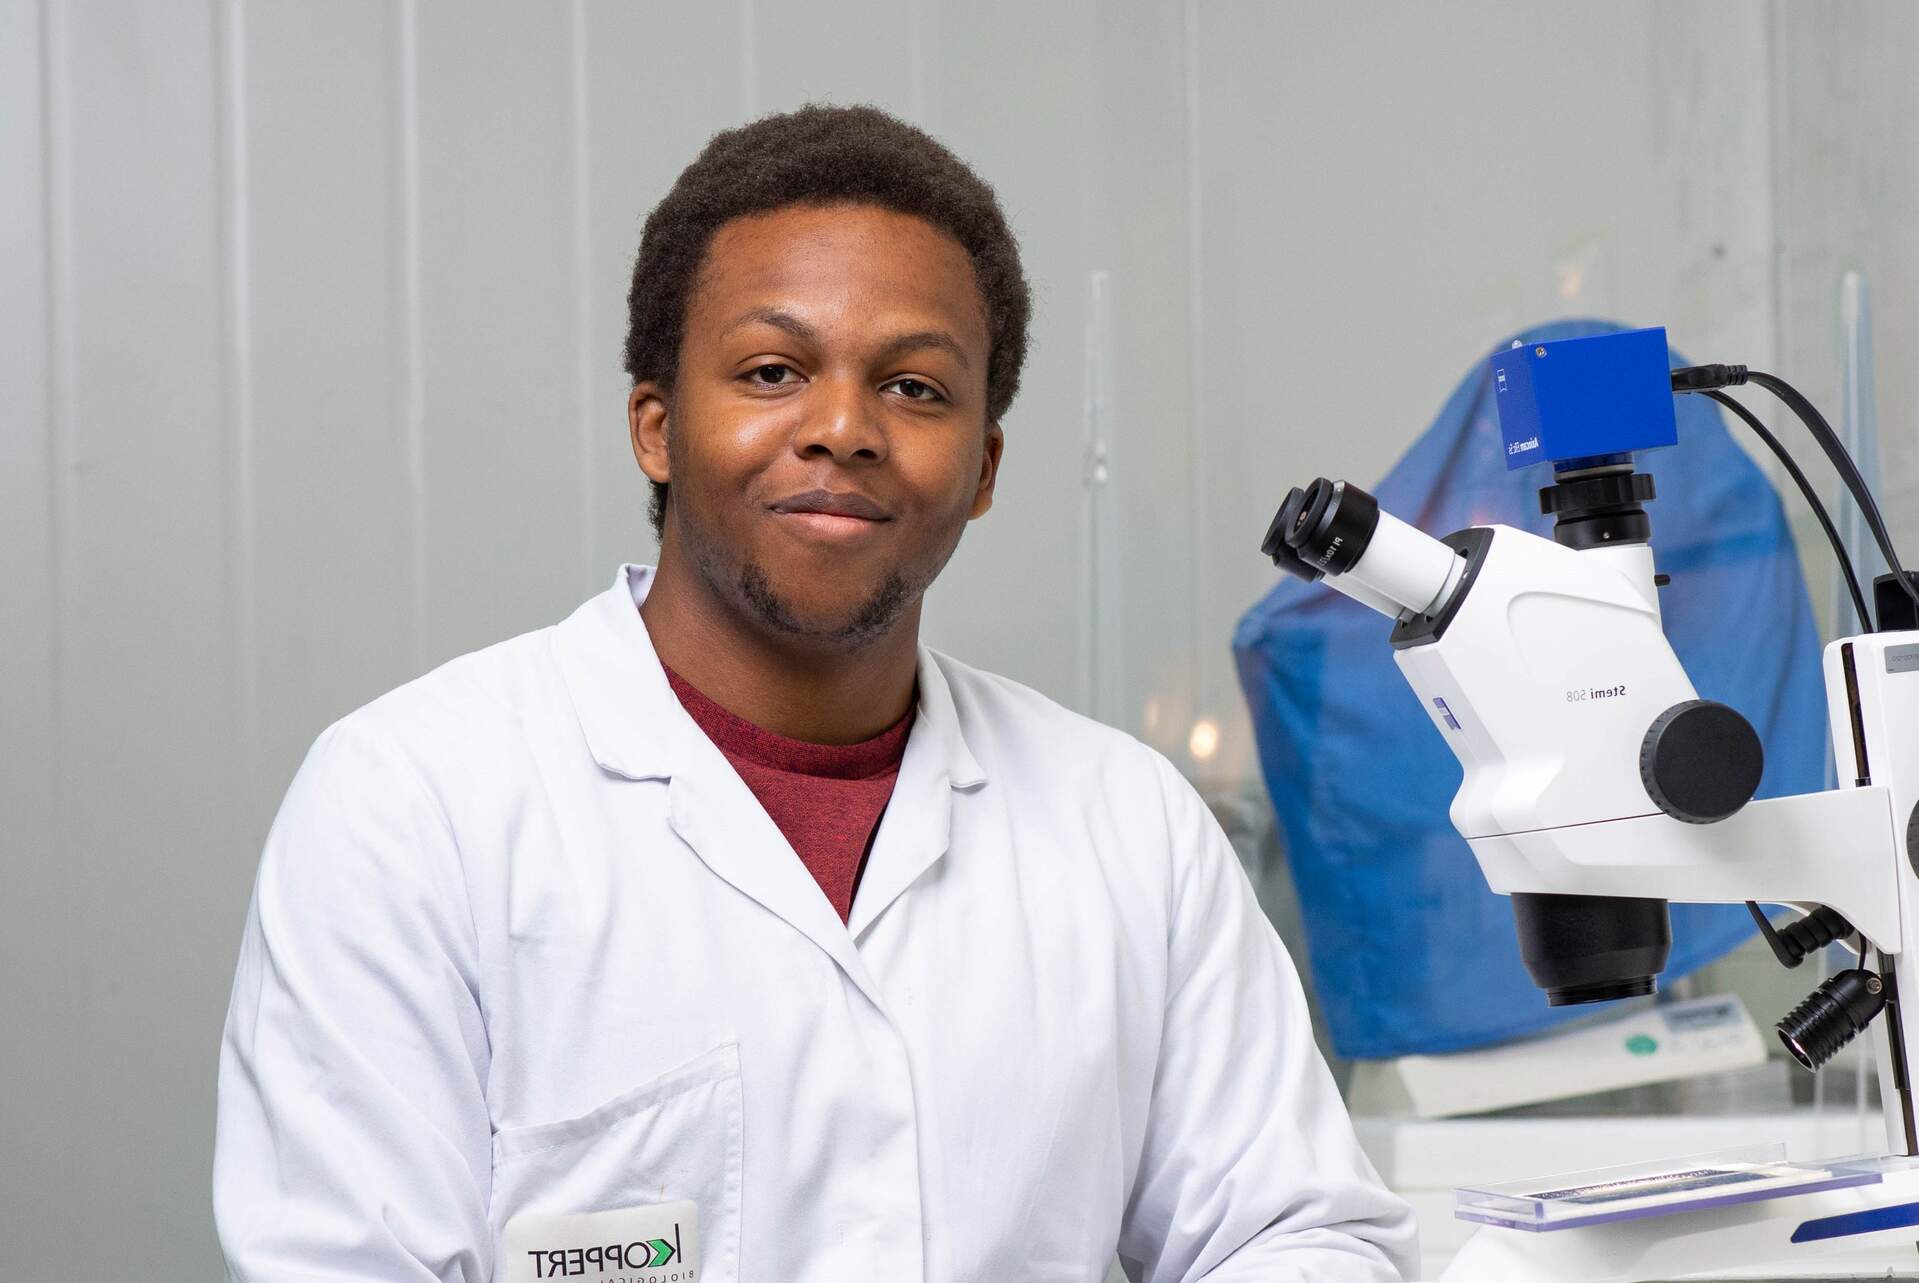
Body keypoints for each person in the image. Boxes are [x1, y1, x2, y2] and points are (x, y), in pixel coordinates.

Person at [213, 103, 1415, 1282]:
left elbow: (1298, 1232)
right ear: (656, 426)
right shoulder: (410, 806)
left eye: (915, 388)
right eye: (772, 370)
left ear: (983, 466)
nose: (843, 427)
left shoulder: (1126, 826)